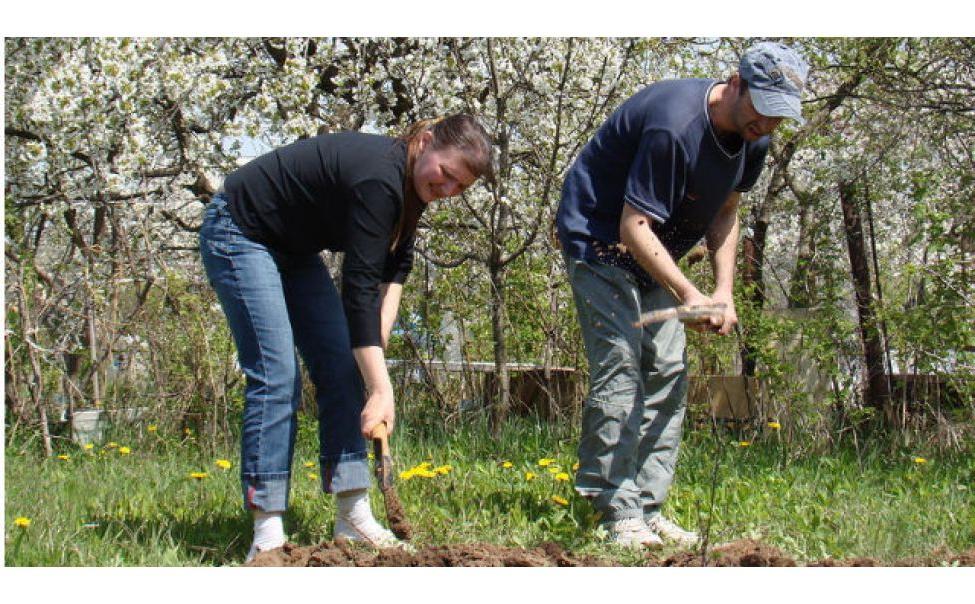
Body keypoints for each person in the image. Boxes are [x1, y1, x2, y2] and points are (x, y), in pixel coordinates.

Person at [199, 115, 494, 561]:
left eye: (460, 187)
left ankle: (353, 515)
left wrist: (374, 352)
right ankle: (267, 531)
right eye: (447, 175)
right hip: (241, 230)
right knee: (277, 375)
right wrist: (381, 386)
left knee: (344, 365)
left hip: (293, 249)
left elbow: (393, 270)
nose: (449, 191)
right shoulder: (379, 177)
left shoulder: (412, 188)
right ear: (426, 142)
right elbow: (357, 290)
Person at [556, 42, 809, 547]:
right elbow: (634, 225)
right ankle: (611, 509)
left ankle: (648, 508)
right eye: (762, 108)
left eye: (779, 116)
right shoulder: (675, 126)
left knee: (668, 373)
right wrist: (688, 292)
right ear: (735, 84)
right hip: (602, 240)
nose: (768, 125)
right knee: (622, 368)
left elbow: (725, 211)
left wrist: (722, 291)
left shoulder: (752, 138)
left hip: (657, 252)